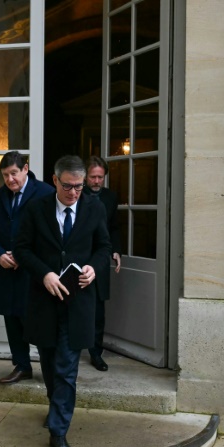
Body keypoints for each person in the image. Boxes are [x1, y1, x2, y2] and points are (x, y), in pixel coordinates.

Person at [14, 155, 112, 447]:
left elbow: (103, 247)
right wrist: (44, 273)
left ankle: (58, 431)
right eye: (68, 186)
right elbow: (21, 249)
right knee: (49, 362)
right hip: (43, 303)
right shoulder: (35, 208)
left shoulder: (94, 207)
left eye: (79, 187)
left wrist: (95, 268)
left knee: (67, 369)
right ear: (55, 180)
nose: (73, 193)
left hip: (78, 302)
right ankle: (55, 405)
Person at [0, 151, 54, 384]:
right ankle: (22, 365)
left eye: (13, 173)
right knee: (11, 319)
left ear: (25, 168)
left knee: (37, 320)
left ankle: (50, 370)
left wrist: (26, 254)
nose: (10, 179)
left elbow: (52, 232)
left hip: (33, 270)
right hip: (6, 269)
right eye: (5, 175)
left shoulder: (45, 193)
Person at [84, 155, 122, 372]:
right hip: (79, 258)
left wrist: (116, 250)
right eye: (93, 177)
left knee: (98, 310)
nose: (97, 181)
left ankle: (96, 353)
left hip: (100, 259)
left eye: (100, 177)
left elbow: (114, 226)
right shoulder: (75, 194)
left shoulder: (110, 197)